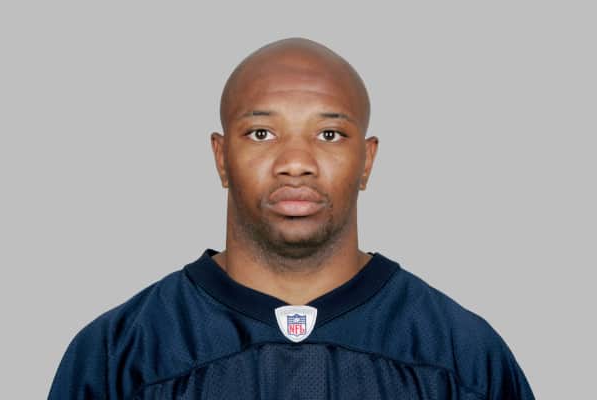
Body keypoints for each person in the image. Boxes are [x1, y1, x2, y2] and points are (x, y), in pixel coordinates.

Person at [48, 38, 535, 399]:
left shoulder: (460, 356)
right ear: (221, 157)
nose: (296, 162)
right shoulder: (120, 355)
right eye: (261, 133)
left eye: (329, 135)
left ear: (367, 161)